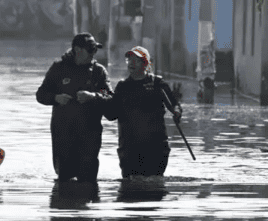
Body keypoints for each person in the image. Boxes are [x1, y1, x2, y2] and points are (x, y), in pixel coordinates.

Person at [36, 33, 113, 182]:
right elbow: (41, 94)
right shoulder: (59, 68)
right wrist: (55, 98)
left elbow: (109, 97)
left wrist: (93, 96)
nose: (94, 54)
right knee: (65, 180)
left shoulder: (98, 72)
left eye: (95, 50)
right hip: (63, 134)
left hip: (90, 134)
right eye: (90, 50)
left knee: (88, 180)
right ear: (78, 50)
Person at [105, 46, 182, 179]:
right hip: (129, 149)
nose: (131, 63)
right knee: (130, 188)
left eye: (136, 60)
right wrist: (100, 100)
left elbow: (175, 105)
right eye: (129, 59)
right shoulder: (123, 86)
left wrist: (176, 112)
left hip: (156, 147)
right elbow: (111, 115)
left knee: (154, 187)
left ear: (145, 63)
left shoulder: (157, 83)